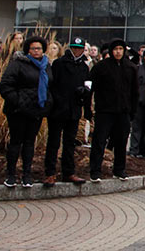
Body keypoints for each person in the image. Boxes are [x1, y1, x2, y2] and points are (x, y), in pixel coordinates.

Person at [0, 36, 53, 188]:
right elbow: (5, 85)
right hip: (18, 111)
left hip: (36, 110)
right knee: (16, 142)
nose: (36, 51)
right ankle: (11, 175)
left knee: (30, 143)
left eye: (39, 48)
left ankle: (26, 175)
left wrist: (48, 104)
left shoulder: (46, 65)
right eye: (33, 48)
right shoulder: (17, 64)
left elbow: (50, 85)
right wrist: (17, 101)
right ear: (27, 50)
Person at [44, 36, 91, 187]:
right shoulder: (59, 64)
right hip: (58, 110)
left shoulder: (84, 67)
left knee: (70, 143)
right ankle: (50, 173)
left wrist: (84, 92)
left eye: (79, 48)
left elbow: (88, 87)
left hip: (74, 110)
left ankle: (68, 172)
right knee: (54, 142)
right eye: (74, 48)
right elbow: (51, 86)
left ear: (83, 50)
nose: (77, 51)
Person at [89, 38, 138, 182]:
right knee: (99, 141)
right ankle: (95, 171)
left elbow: (134, 92)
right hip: (105, 111)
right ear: (111, 51)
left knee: (121, 142)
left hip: (123, 111)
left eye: (121, 49)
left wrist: (132, 111)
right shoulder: (101, 67)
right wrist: (89, 107)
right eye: (115, 49)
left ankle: (119, 170)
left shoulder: (130, 67)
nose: (118, 52)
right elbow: (91, 86)